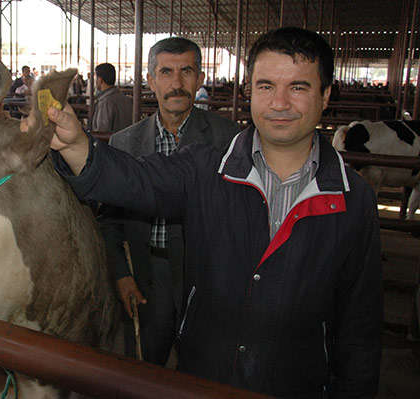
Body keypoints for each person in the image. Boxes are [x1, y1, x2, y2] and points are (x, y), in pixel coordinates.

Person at [39, 27, 383, 397]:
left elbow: (359, 324)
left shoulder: (352, 198)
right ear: (250, 90)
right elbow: (136, 180)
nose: (280, 103)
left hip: (293, 381)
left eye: (298, 87)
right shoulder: (207, 168)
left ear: (325, 94)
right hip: (205, 376)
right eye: (266, 86)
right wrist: (76, 146)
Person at [99, 38, 239, 366]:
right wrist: (121, 273)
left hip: (207, 275)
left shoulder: (229, 140)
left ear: (200, 78)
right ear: (150, 81)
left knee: (204, 370)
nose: (176, 83)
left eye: (186, 71)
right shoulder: (126, 142)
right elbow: (108, 219)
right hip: (147, 275)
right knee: (143, 370)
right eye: (166, 72)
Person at [90, 63, 133, 133]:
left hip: (111, 143)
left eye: (96, 78)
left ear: (100, 80)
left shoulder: (106, 102)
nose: (95, 81)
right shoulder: (124, 98)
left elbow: (102, 131)